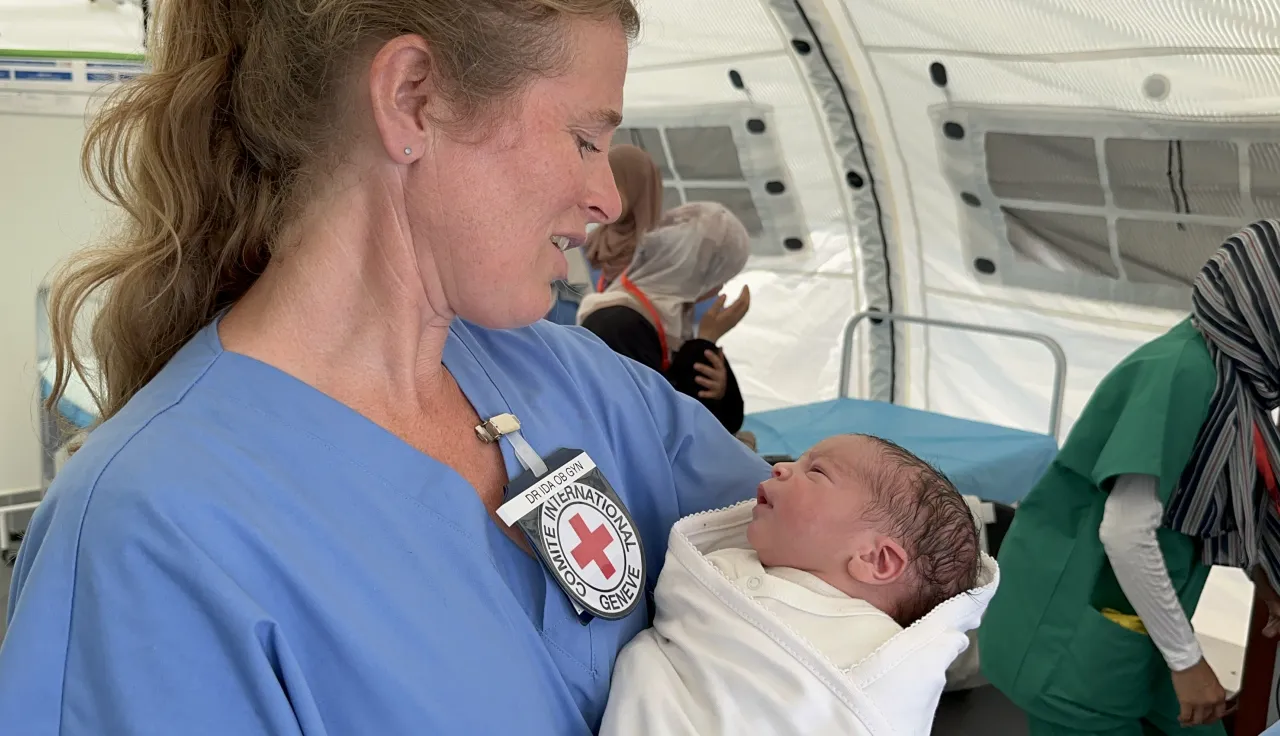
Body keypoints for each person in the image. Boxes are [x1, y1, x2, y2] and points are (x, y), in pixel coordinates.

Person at [0, 2, 774, 734]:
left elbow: (866, 574)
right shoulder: (151, 535)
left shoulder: (585, 387)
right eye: (583, 138)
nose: (605, 196)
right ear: (413, 100)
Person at [978, 219, 1280, 735]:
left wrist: (1265, 577)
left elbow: (1232, 494)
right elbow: (1126, 532)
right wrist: (1187, 662)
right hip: (1073, 641)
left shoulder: (1230, 375)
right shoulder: (1182, 372)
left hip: (1139, 622)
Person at [597, 433, 997, 735]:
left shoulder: (877, 661)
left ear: (874, 559)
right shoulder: (738, 568)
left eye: (816, 471)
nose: (780, 467)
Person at [577, 201, 753, 434]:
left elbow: (727, 421)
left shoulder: (668, 319)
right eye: (717, 276)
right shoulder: (616, 324)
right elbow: (673, 430)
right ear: (691, 272)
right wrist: (706, 341)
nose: (719, 288)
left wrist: (710, 363)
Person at [584, 143, 664, 292]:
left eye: (614, 184)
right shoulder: (588, 246)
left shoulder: (666, 257)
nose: (603, 196)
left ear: (636, 190)